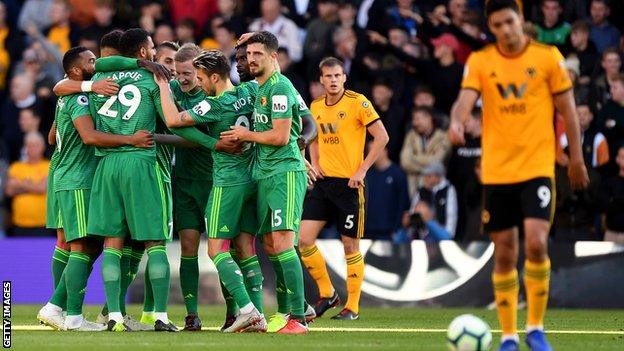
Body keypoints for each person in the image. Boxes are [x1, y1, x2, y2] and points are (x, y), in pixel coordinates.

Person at [449, 1, 589, 350]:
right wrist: (456, 120)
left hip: (538, 166)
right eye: (498, 25)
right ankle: (510, 336)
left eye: (510, 22)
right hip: (497, 171)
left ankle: (536, 329)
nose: (506, 30)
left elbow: (569, 112)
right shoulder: (481, 61)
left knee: (538, 243)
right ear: (492, 28)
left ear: (521, 20)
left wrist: (576, 158)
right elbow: (465, 99)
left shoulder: (547, 57)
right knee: (506, 252)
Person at [36, 46, 153, 331]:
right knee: (82, 245)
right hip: (77, 179)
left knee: (83, 245)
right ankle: (64, 312)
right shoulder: (79, 97)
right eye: (90, 61)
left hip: (68, 176)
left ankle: (61, 308)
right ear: (76, 70)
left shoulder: (71, 95)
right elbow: (88, 137)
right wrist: (130, 140)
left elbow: (52, 136)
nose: (96, 63)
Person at [157, 49, 266, 333]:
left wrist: (160, 89)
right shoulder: (252, 89)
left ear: (213, 76)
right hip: (252, 176)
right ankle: (259, 314)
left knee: (218, 249)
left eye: (200, 77)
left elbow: (173, 121)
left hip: (225, 181)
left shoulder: (215, 104)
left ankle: (246, 310)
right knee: (244, 246)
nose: (200, 84)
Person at [85, 28, 177, 332]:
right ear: (141, 51)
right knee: (155, 242)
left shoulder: (100, 81)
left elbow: (91, 68)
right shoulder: (154, 78)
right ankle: (160, 316)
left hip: (108, 165)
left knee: (112, 243)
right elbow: (171, 120)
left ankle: (113, 316)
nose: (153, 53)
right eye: (150, 49)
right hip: (141, 163)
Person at [221, 31, 309, 334]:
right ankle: (287, 312)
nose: (251, 59)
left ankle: (298, 315)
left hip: (283, 173)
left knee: (283, 241)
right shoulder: (261, 87)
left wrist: (246, 136)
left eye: (259, 54)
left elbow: (282, 136)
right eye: (248, 55)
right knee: (272, 243)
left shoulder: (280, 88)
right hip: (266, 173)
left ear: (274, 57)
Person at [299, 56, 389, 321]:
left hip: (350, 184)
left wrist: (361, 170)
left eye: (337, 76)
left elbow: (382, 136)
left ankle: (352, 306)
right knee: (303, 240)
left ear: (344, 77)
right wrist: (314, 162)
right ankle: (328, 294)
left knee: (350, 246)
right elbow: (311, 137)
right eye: (328, 76)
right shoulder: (315, 106)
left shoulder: (357, 102)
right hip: (324, 183)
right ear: (321, 80)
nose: (333, 81)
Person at [4, 132, 50, 236]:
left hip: (43, 226)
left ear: (42, 147)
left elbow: (42, 188)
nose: (32, 148)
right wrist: (32, 185)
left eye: (35, 145)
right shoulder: (16, 167)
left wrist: (20, 184)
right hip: (19, 225)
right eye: (28, 145)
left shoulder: (49, 166)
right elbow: (9, 191)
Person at [400, 106, 451, 196]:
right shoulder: (411, 136)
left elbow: (437, 161)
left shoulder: (443, 137)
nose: (414, 123)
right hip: (414, 190)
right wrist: (426, 168)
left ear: (429, 118)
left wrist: (414, 158)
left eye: (418, 119)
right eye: (414, 119)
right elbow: (405, 161)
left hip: (437, 190)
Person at [365, 143, 410, 241]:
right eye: (369, 151)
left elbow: (403, 204)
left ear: (385, 150)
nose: (371, 154)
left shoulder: (398, 174)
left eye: (375, 149)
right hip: (366, 231)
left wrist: (396, 228)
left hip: (388, 232)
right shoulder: (366, 174)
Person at [406, 162, 458, 241]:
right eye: (425, 176)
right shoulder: (420, 191)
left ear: (438, 176)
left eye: (429, 176)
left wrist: (449, 234)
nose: (426, 178)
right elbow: (413, 210)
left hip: (442, 231)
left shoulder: (448, 190)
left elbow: (451, 213)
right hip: (423, 233)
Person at [598, 146, 624, 244]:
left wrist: (615, 199)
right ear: (617, 159)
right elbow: (603, 205)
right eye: (623, 157)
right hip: (612, 234)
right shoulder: (609, 183)